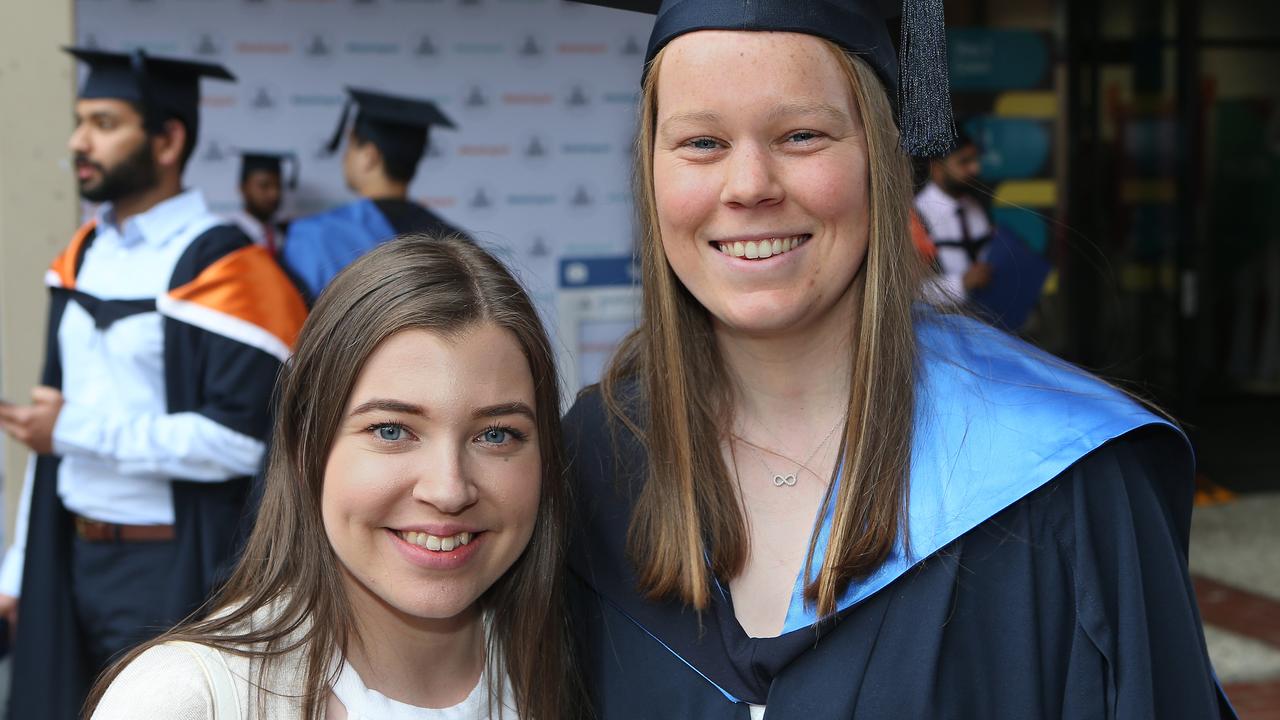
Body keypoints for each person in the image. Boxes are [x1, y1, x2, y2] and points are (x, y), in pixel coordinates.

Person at [563, 2, 1234, 718]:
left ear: (884, 157)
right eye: (701, 142)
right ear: (651, 169)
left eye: (801, 134)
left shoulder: (1068, 481)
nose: (749, 184)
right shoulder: (591, 463)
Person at [86, 236, 585, 720]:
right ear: (307, 447)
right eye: (392, 430)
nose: (449, 489)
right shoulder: (183, 700)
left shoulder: (590, 674)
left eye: (496, 435)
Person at [0, 47, 307, 720]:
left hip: (176, 569)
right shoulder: (81, 257)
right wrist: (19, 568)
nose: (80, 142)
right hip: (72, 556)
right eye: (81, 121)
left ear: (168, 140)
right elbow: (50, 433)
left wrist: (75, 429)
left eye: (104, 123)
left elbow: (241, 445)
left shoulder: (228, 267)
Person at [282, 87, 470, 301]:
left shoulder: (313, 236)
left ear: (370, 156)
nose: (345, 158)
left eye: (350, 146)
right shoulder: (456, 242)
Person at [914, 132, 994, 304]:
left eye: (975, 160)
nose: (975, 168)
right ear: (937, 169)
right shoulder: (914, 217)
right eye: (964, 162)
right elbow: (910, 290)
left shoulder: (976, 206)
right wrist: (962, 284)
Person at [227, 150, 296, 255]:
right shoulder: (228, 236)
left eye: (278, 186)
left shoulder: (284, 234)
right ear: (243, 188)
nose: (274, 194)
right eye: (264, 186)